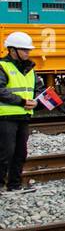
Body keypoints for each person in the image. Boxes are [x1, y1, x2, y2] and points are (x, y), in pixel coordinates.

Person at [0, 32, 43, 191]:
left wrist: (38, 102)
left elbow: (38, 89)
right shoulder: (2, 66)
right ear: (12, 50)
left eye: (28, 50)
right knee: (5, 153)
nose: (28, 53)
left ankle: (14, 185)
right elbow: (0, 90)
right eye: (24, 50)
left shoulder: (30, 69)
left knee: (20, 153)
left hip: (23, 116)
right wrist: (23, 101)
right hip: (5, 117)